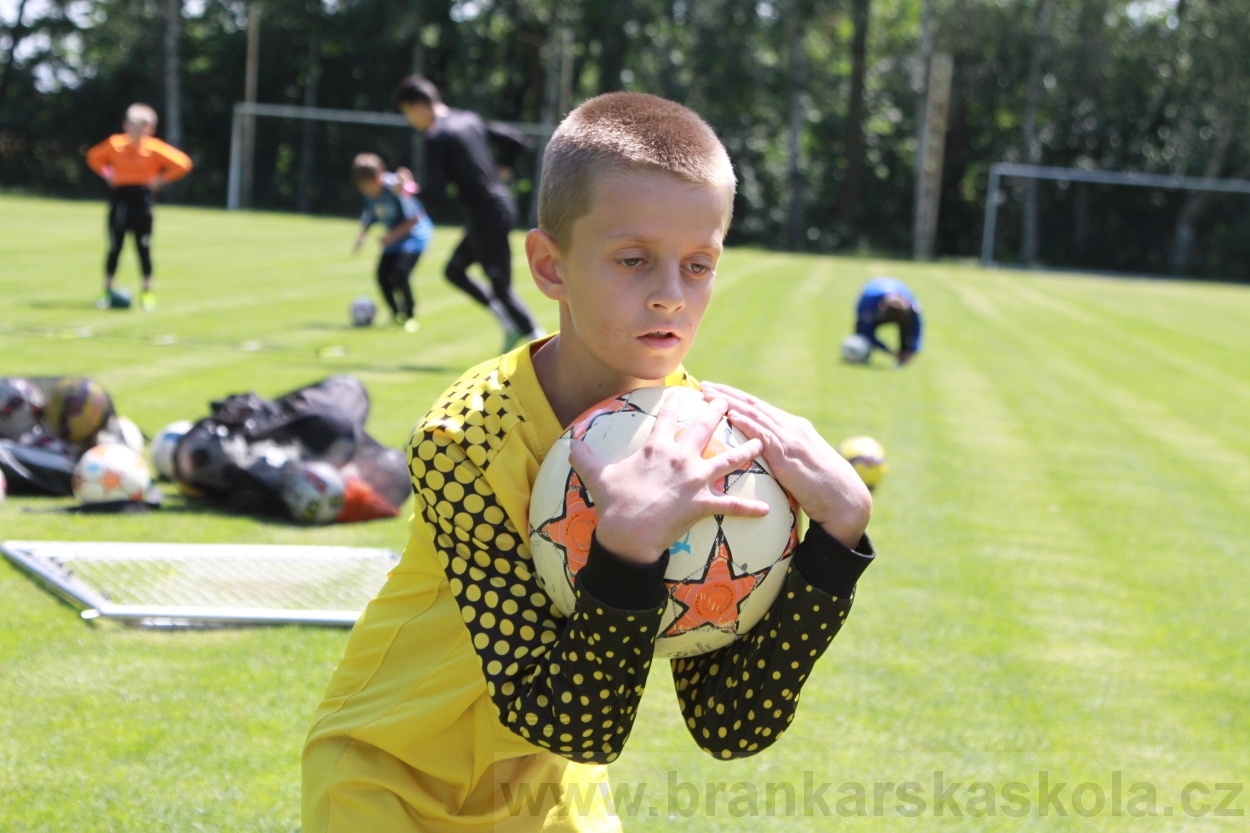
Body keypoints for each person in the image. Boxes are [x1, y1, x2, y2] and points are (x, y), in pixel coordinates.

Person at [302, 92, 877, 833]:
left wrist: (836, 540)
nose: (670, 296)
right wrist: (627, 544)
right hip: (389, 778)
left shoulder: (706, 444)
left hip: (550, 797)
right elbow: (561, 716)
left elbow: (731, 722)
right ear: (550, 265)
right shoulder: (463, 439)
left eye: (698, 265)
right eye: (633, 260)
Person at [393, 75, 545, 351]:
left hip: (488, 216)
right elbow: (516, 141)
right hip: (494, 210)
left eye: (407, 113)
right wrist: (505, 169)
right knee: (454, 271)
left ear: (418, 106)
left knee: (502, 290)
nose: (409, 121)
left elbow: (434, 194)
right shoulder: (469, 119)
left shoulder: (436, 135)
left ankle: (540, 342)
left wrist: (408, 189)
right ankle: (510, 326)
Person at [85, 103, 193, 312]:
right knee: (114, 246)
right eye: (133, 125)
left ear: (150, 129)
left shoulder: (154, 148)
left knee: (143, 247)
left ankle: (147, 293)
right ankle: (106, 291)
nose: (137, 130)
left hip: (142, 201)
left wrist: (160, 180)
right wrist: (108, 175)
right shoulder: (115, 144)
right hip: (120, 199)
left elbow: (183, 163)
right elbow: (93, 158)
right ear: (126, 125)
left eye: (142, 126)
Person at [350, 153, 434, 333]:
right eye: (362, 188)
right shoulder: (369, 193)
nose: (367, 192)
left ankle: (410, 317)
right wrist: (362, 235)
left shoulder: (395, 188)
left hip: (415, 236)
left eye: (368, 187)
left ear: (378, 177)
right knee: (382, 276)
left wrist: (390, 237)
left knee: (400, 274)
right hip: (395, 238)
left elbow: (415, 218)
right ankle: (396, 315)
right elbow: (371, 213)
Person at [854, 276, 923, 366]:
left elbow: (916, 328)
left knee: (907, 326)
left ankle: (903, 357)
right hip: (873, 303)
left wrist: (912, 349)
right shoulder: (868, 302)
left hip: (900, 297)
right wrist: (887, 351)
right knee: (862, 335)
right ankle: (861, 354)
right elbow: (866, 331)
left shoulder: (912, 308)